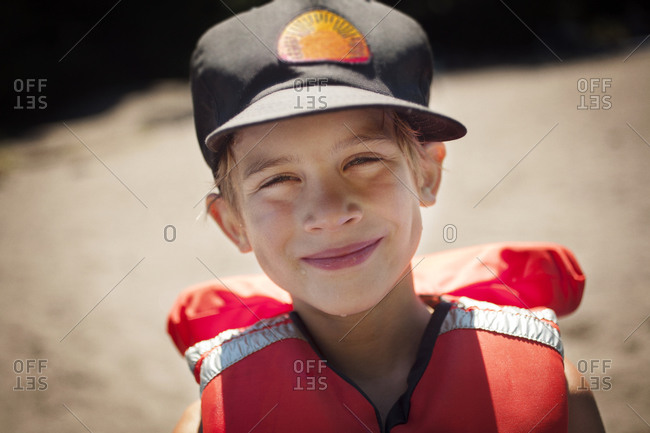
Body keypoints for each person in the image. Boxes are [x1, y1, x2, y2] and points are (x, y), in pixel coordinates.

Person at [169, 0, 605, 431]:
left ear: (427, 174)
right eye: (278, 180)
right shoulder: (206, 425)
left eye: (362, 161)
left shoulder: (559, 397)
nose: (329, 213)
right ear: (233, 223)